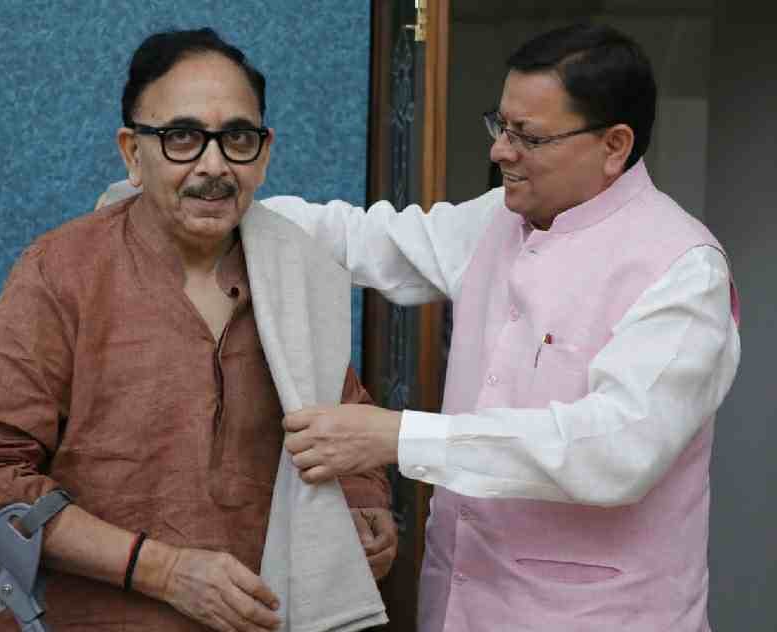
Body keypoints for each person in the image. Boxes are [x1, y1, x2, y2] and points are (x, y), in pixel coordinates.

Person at [262, 23, 740, 632]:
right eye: (501, 126)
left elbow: (616, 450)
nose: (500, 152)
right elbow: (364, 240)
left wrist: (400, 437)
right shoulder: (497, 218)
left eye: (528, 137)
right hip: (458, 606)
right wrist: (229, 203)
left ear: (614, 145)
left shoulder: (682, 268)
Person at [0, 28, 395, 632]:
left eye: (237, 138)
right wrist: (164, 571)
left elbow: (344, 423)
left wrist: (363, 504)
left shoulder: (297, 273)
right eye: (182, 138)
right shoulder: (61, 273)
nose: (214, 166)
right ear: (132, 153)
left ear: (264, 153)